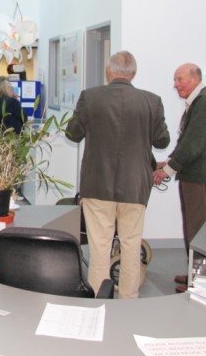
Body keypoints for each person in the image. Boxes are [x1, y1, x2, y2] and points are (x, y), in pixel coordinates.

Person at [66, 51, 170, 299]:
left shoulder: (90, 98)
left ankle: (98, 301)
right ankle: (128, 301)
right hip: (135, 186)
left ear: (109, 72)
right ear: (133, 73)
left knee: (99, 247)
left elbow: (72, 134)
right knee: (131, 246)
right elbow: (162, 140)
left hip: (97, 185)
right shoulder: (151, 101)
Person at [152, 63, 206, 292]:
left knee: (199, 226)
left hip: (200, 176)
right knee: (193, 225)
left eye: (180, 79)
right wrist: (169, 160)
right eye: (175, 80)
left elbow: (194, 144)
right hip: (194, 174)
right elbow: (187, 140)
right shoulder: (199, 101)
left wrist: (168, 169)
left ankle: (202, 281)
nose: (175, 85)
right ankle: (195, 273)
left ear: (195, 78)